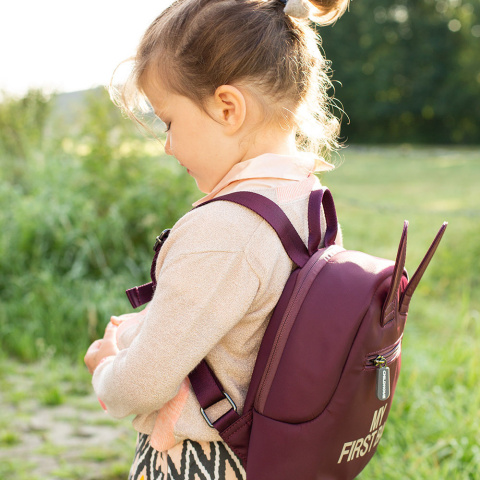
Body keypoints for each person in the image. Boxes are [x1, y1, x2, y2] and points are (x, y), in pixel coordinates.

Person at [84, 0, 348, 478]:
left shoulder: (225, 230)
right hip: (270, 454)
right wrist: (136, 331)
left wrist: (106, 366)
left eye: (168, 121)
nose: (166, 144)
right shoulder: (306, 200)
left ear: (227, 107)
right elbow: (235, 330)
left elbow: (141, 385)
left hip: (203, 461)